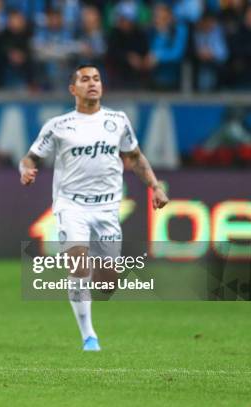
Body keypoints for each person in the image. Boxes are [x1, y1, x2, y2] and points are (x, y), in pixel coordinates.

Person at [19, 65, 168, 351]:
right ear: (72, 89)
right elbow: (29, 158)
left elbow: (135, 157)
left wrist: (155, 186)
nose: (92, 84)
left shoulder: (118, 120)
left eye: (97, 79)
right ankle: (89, 336)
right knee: (78, 265)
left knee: (107, 284)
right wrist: (24, 172)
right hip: (70, 205)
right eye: (85, 79)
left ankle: (90, 290)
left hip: (107, 208)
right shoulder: (58, 125)